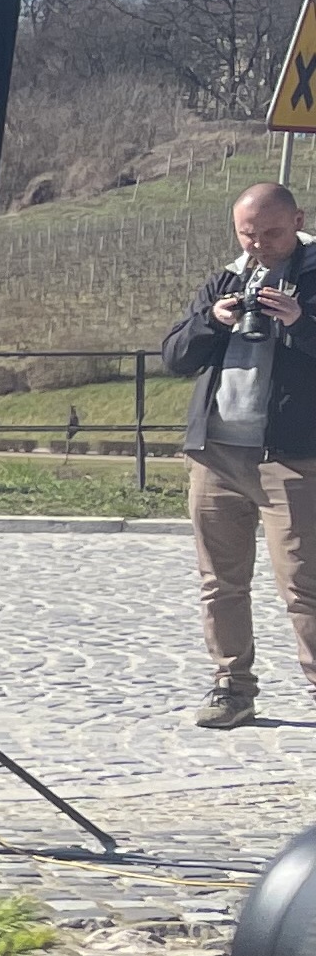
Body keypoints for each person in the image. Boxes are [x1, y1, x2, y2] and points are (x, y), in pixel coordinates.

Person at [161, 182, 316, 728]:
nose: (258, 246)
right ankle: (231, 687)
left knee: (304, 581)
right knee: (219, 581)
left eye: (271, 233)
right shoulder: (226, 279)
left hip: (293, 458)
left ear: (298, 219)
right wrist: (213, 320)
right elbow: (174, 356)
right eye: (247, 234)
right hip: (217, 453)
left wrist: (300, 322)